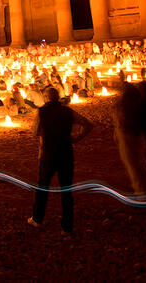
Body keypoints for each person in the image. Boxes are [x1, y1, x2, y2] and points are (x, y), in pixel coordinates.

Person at [28, 87, 94, 236]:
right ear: (58, 98)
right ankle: (67, 227)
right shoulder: (68, 111)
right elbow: (88, 124)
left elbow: (35, 132)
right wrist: (77, 138)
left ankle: (38, 219)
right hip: (66, 153)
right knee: (66, 190)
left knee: (43, 187)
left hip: (48, 154)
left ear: (45, 98)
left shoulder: (42, 112)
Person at [112, 73, 146, 194]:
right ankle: (138, 186)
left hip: (126, 135)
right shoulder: (137, 105)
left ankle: (141, 193)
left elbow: (120, 121)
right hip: (133, 134)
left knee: (132, 164)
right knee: (134, 162)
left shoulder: (124, 107)